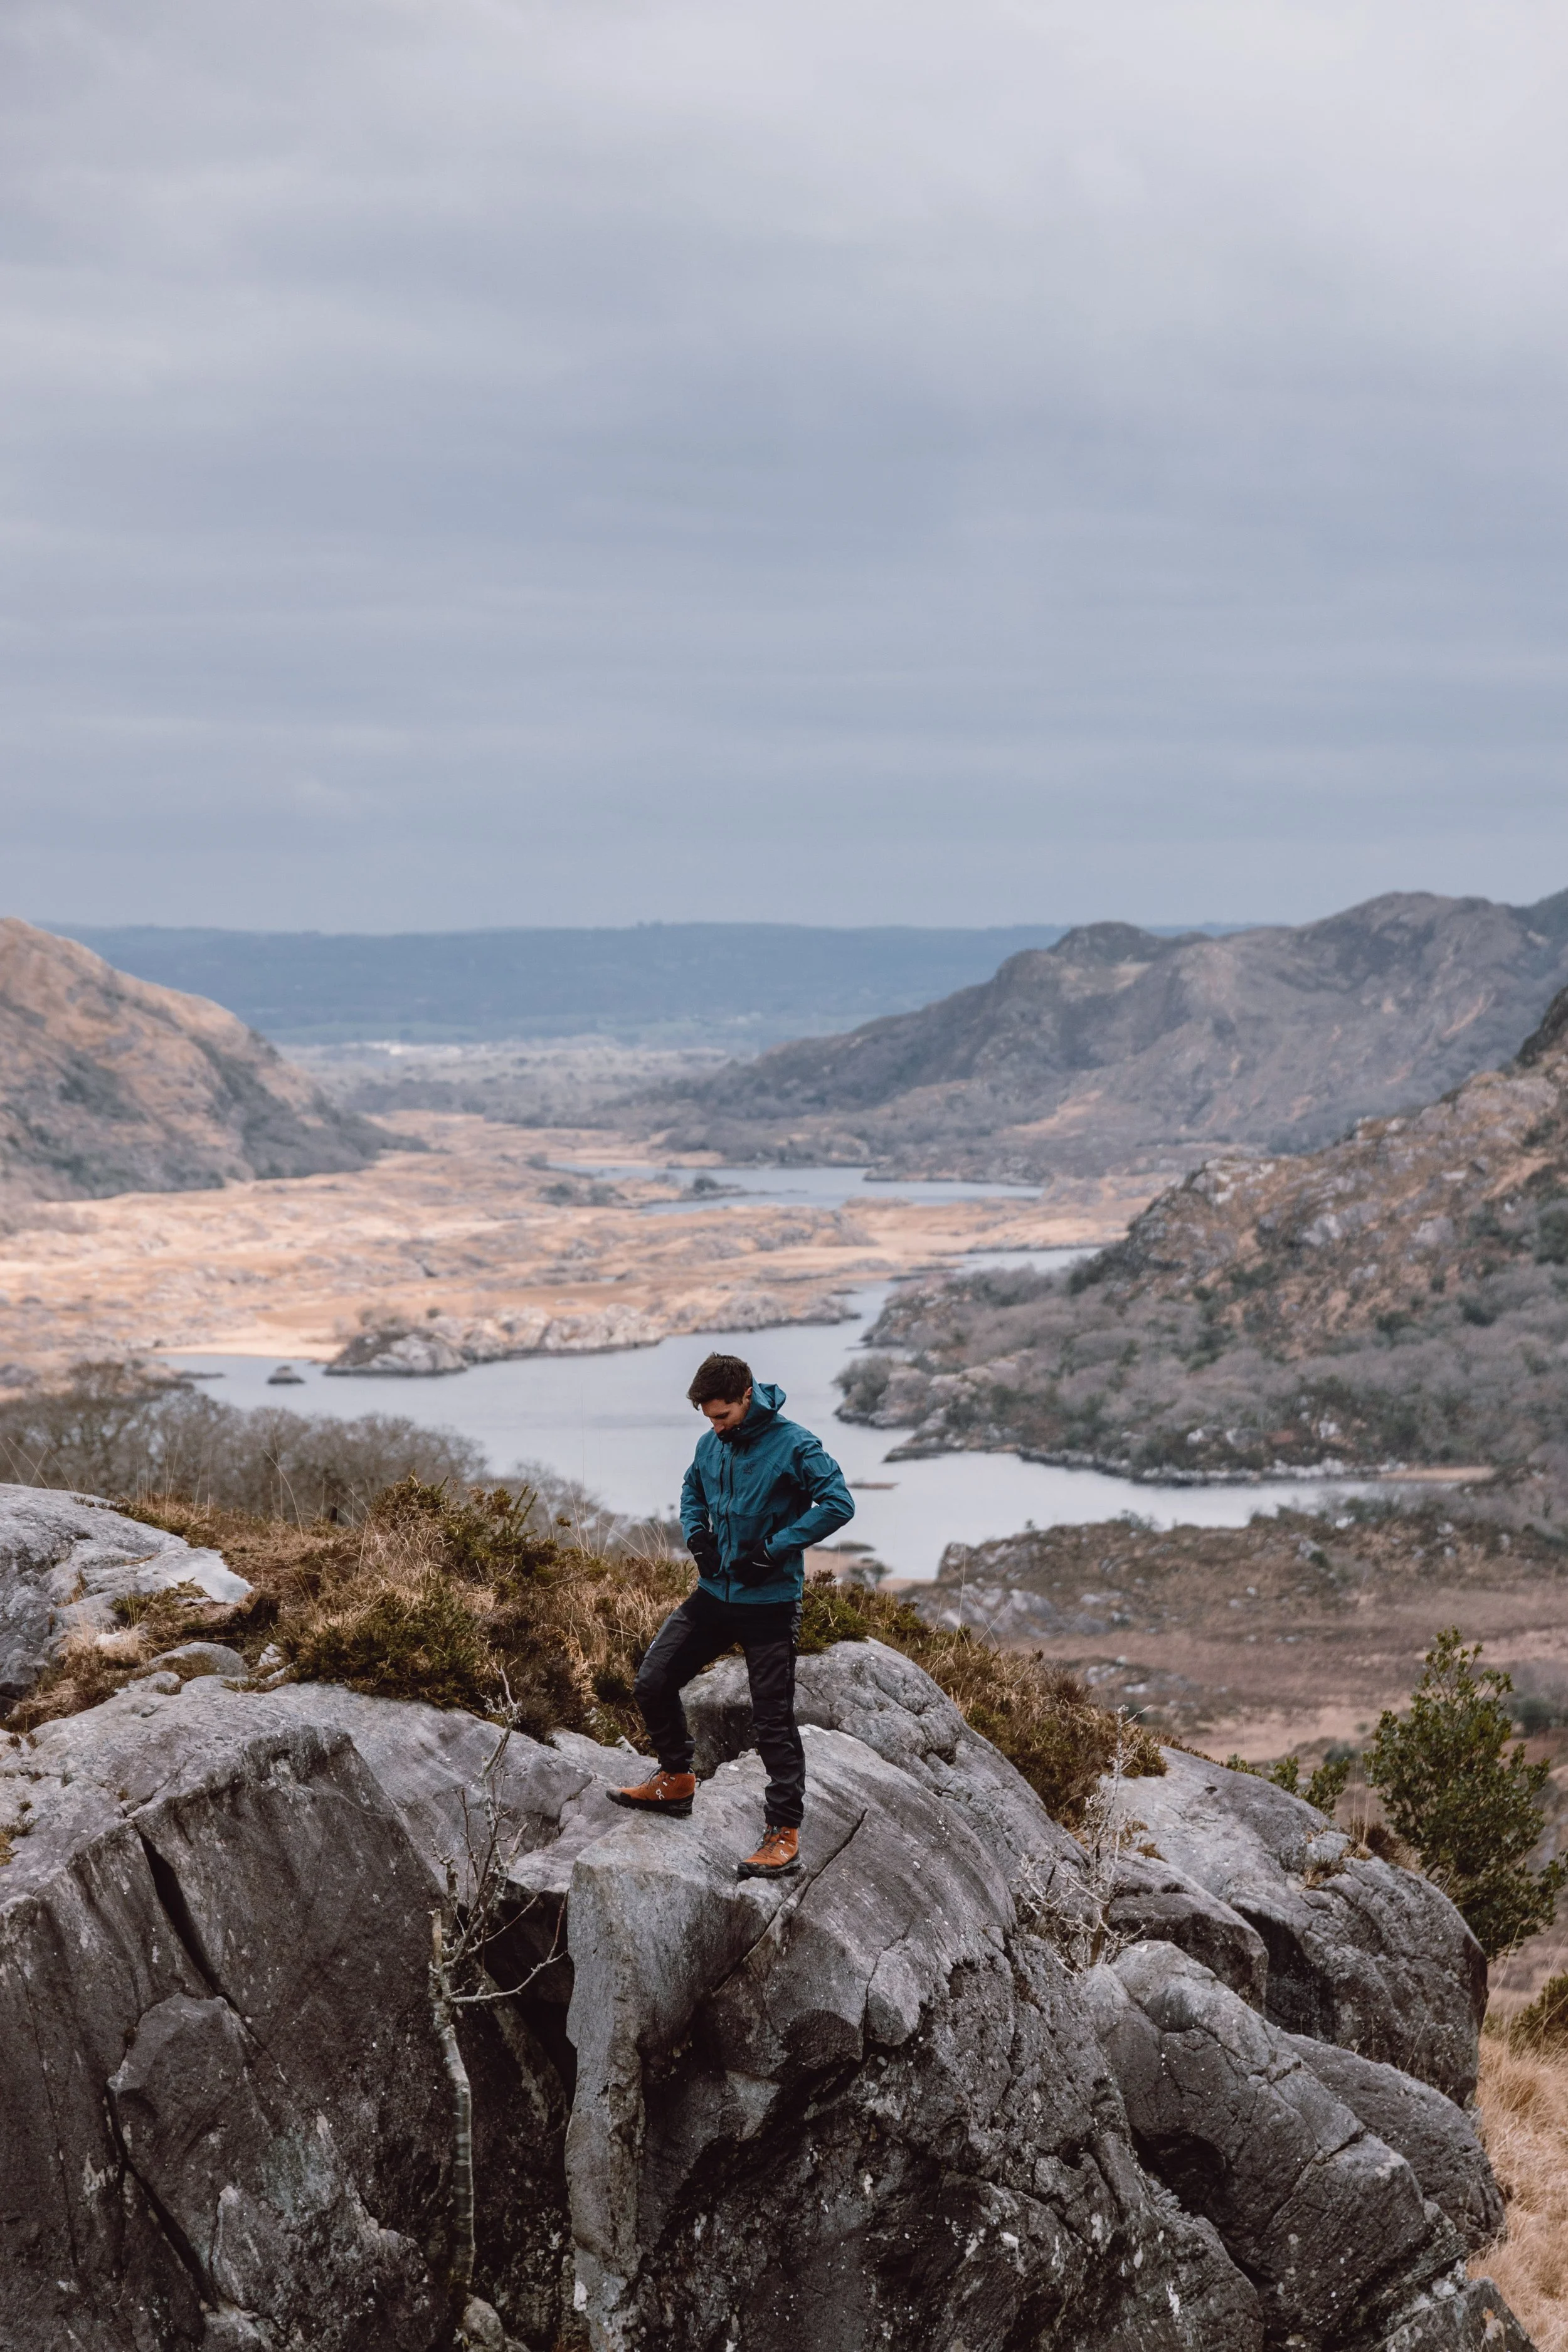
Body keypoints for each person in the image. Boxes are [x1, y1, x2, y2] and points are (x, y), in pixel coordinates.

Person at [610, 1350, 854, 1878]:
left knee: (771, 1722)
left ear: (748, 1396)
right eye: (708, 1418)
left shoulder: (795, 1444)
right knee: (653, 1681)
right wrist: (695, 1533)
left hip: (769, 1603)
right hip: (715, 1595)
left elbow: (838, 1502)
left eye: (723, 1415)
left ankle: (783, 1833)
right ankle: (676, 1780)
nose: (716, 1427)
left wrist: (774, 1549)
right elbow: (693, 1487)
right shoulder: (709, 1443)